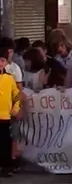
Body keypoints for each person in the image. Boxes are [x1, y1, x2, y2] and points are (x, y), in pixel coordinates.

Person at [0, 46, 20, 177]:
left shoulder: (9, 78)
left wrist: (16, 108)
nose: (0, 63)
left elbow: (16, 95)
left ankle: (6, 166)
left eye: (2, 60)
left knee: (5, 142)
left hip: (5, 116)